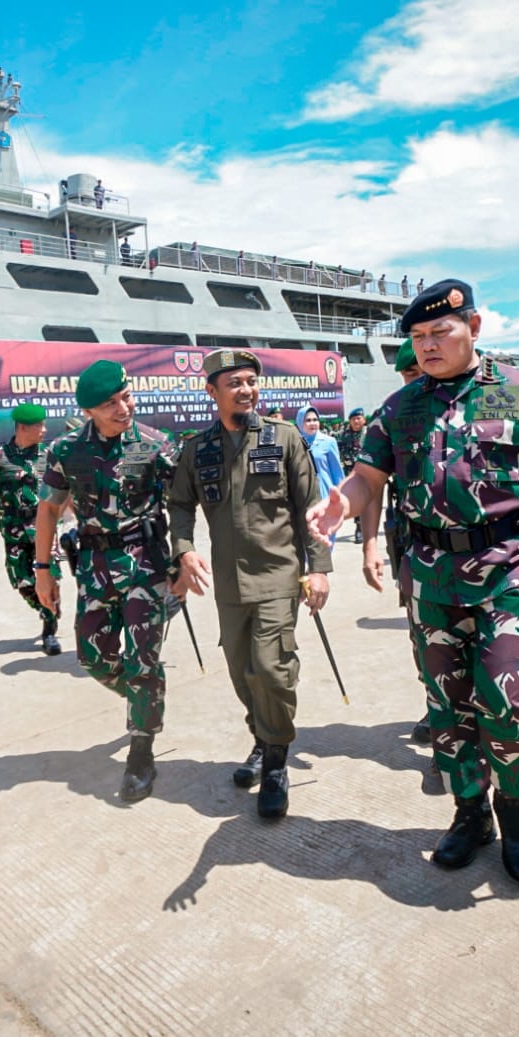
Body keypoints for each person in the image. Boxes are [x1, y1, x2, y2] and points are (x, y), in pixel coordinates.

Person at [308, 280, 519, 881]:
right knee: (446, 705)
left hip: (506, 568)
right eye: (418, 337)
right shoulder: (400, 407)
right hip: (430, 576)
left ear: (473, 326)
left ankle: (514, 810)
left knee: (506, 696)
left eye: (439, 332)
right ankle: (470, 811)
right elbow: (368, 478)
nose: (428, 345)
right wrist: (344, 501)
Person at [168, 350, 332, 819]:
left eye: (251, 381)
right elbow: (180, 503)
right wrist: (184, 549)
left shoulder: (284, 438)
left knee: (271, 667)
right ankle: (262, 738)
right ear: (212, 391)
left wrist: (318, 567)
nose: (246, 390)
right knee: (243, 672)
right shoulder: (197, 449)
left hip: (279, 574)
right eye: (234, 383)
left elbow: (310, 505)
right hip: (228, 582)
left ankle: (276, 761)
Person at [34, 362, 180, 802]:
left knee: (142, 660)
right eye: (110, 404)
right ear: (89, 411)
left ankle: (141, 750)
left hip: (146, 562)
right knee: (92, 658)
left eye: (126, 397)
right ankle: (144, 698)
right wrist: (43, 570)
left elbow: (186, 506)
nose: (123, 408)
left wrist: (185, 560)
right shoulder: (65, 450)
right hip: (94, 564)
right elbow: (49, 509)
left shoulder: (156, 445)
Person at [360, 338, 435, 743]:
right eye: (410, 373)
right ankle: (437, 704)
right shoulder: (392, 414)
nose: (419, 378)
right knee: (424, 635)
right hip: (417, 547)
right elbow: (371, 485)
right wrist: (370, 545)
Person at [0, 403, 65, 655]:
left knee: (49, 577)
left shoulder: (49, 455)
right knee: (22, 581)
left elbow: (65, 491)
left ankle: (49, 629)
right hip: (14, 529)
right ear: (23, 428)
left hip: (44, 528)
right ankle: (45, 608)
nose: (44, 430)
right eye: (39, 425)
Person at [339, 408, 368, 544]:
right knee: (356, 500)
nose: (356, 421)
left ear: (364, 420)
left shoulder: (370, 434)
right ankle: (359, 527)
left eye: (358, 418)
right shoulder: (344, 435)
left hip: (368, 473)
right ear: (350, 421)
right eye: (353, 419)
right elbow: (339, 452)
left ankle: (367, 527)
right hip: (351, 474)